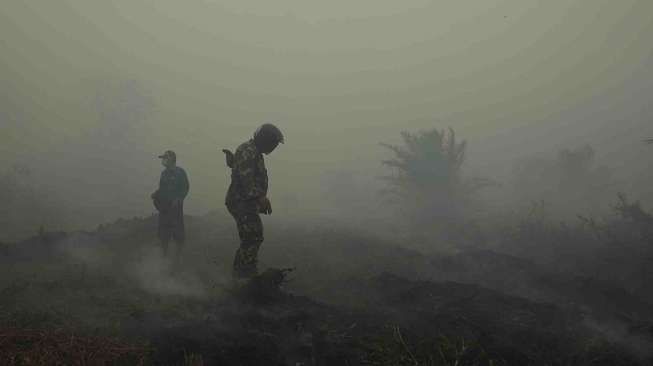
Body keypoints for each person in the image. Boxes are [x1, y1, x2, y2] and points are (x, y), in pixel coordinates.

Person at [224, 123, 284, 279]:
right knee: (253, 236)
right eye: (273, 144)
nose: (274, 148)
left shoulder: (253, 152)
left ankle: (241, 274)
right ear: (265, 141)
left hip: (246, 201)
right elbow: (246, 178)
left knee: (251, 237)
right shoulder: (248, 150)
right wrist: (259, 197)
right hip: (241, 201)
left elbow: (242, 170)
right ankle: (245, 275)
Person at [151, 150, 189, 263]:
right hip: (164, 209)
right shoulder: (164, 174)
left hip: (175, 209)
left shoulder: (180, 172)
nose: (163, 160)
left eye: (165, 158)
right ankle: (164, 257)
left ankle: (178, 259)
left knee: (178, 234)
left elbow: (185, 187)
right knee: (163, 234)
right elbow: (162, 189)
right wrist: (156, 193)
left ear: (171, 159)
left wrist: (179, 198)